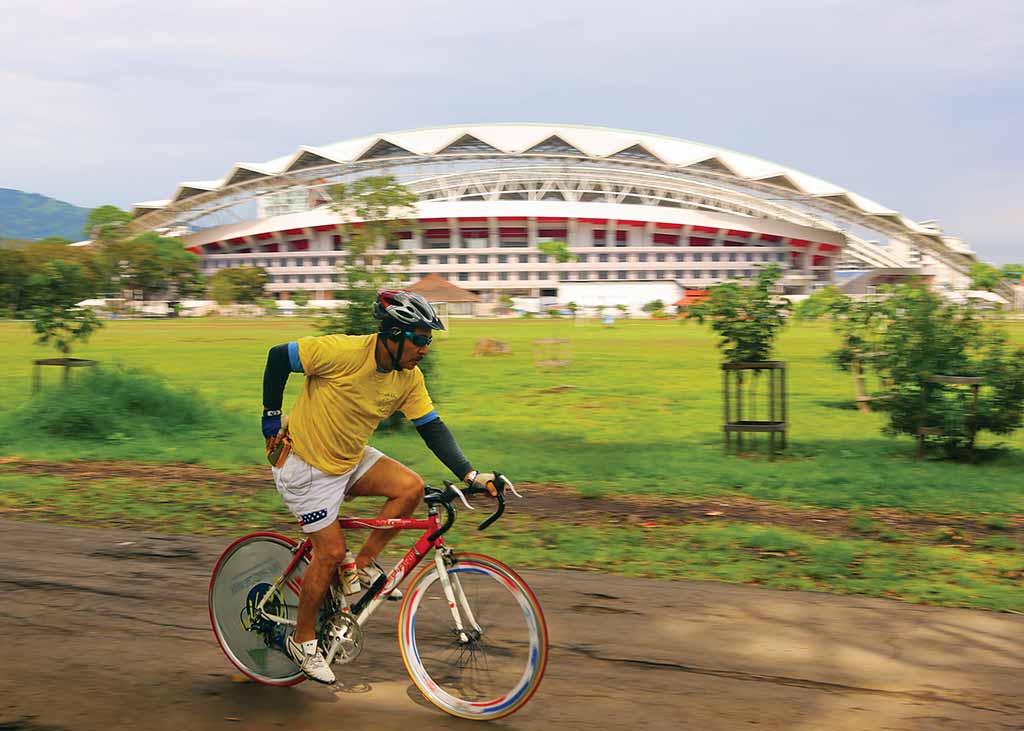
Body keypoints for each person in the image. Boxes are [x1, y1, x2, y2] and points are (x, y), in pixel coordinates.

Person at [261, 290, 508, 684]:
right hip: (305, 466)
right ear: (393, 334)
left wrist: (470, 475)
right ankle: (303, 640)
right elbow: (278, 357)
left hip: (348, 458)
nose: (426, 349)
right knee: (329, 550)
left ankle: (357, 569)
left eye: (429, 340)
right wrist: (272, 417)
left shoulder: (408, 378)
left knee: (410, 488)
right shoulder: (341, 352)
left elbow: (432, 428)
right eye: (421, 339)